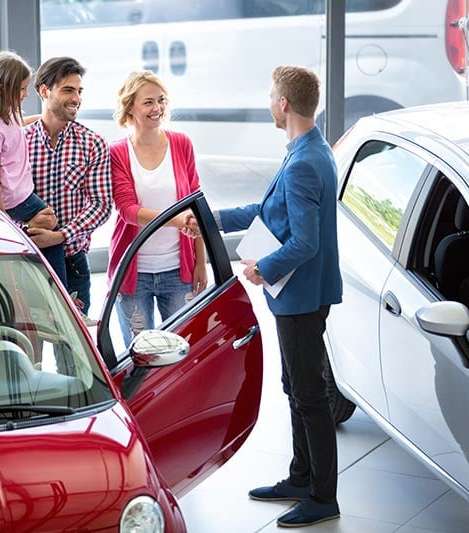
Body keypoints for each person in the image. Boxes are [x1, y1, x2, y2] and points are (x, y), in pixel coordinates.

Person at [187, 65, 342, 528]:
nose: (268, 103)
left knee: (309, 394)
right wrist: (212, 218)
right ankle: (300, 476)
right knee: (295, 387)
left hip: (299, 295)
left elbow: (304, 242)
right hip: (302, 294)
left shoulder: (304, 163)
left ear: (283, 105)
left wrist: (261, 268)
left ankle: (321, 496)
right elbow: (267, 211)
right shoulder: (309, 150)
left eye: (271, 96)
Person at [107, 70, 206, 344]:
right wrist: (177, 221)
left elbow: (195, 205)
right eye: (148, 102)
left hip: (178, 270)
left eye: (161, 100)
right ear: (130, 107)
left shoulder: (181, 144)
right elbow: (127, 209)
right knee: (142, 357)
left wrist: (201, 261)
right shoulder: (117, 152)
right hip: (133, 275)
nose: (157, 108)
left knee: (182, 351)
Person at [24, 57, 112, 318]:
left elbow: (102, 205)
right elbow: (2, 200)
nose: (76, 98)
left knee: (74, 353)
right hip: (27, 261)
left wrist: (60, 235)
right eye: (67, 90)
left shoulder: (92, 143)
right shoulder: (20, 141)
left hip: (73, 263)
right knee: (28, 343)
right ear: (44, 91)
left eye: (79, 91)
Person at [0, 50, 66, 283]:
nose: (26, 94)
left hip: (23, 193)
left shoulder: (10, 114)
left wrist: (47, 117)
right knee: (52, 234)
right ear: (4, 87)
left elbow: (18, 125)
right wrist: (1, 214)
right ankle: (61, 292)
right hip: (14, 200)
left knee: (48, 228)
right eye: (22, 89)